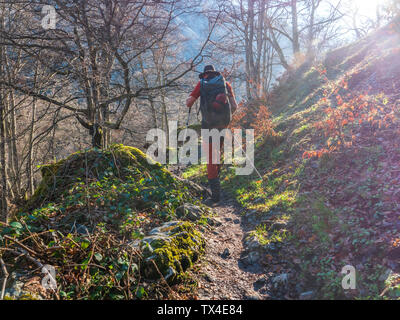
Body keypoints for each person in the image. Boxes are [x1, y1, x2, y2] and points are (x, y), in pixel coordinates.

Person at [186, 65, 238, 205]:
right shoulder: (225, 84)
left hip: (208, 125)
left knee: (210, 158)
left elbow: (189, 103)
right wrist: (224, 117)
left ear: (205, 74)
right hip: (223, 124)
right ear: (215, 73)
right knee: (217, 153)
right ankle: (217, 181)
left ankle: (215, 196)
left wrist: (189, 101)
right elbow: (234, 106)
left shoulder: (202, 84)